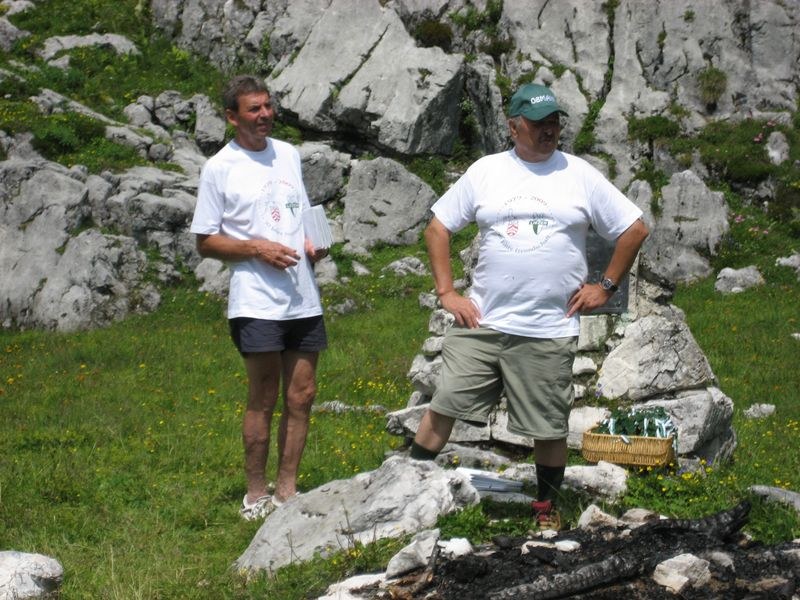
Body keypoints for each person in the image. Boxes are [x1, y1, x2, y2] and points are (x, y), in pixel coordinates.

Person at [408, 83, 649, 529]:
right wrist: (447, 294)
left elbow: (634, 228)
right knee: (445, 403)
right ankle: (404, 492)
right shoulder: (486, 171)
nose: (549, 130)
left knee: (548, 425)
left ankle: (546, 510)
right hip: (483, 321)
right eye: (539, 123)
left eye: (554, 121)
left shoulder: (578, 174)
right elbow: (437, 228)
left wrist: (606, 286)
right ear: (514, 127)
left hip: (548, 327)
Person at [190, 75, 329, 521]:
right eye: (254, 109)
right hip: (256, 301)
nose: (265, 115)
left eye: (268, 106)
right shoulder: (220, 168)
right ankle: (254, 495)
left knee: (302, 395)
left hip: (302, 296)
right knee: (264, 396)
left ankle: (287, 492)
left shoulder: (288, 154)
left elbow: (299, 212)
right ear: (232, 117)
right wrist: (256, 248)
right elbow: (206, 241)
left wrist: (314, 244)